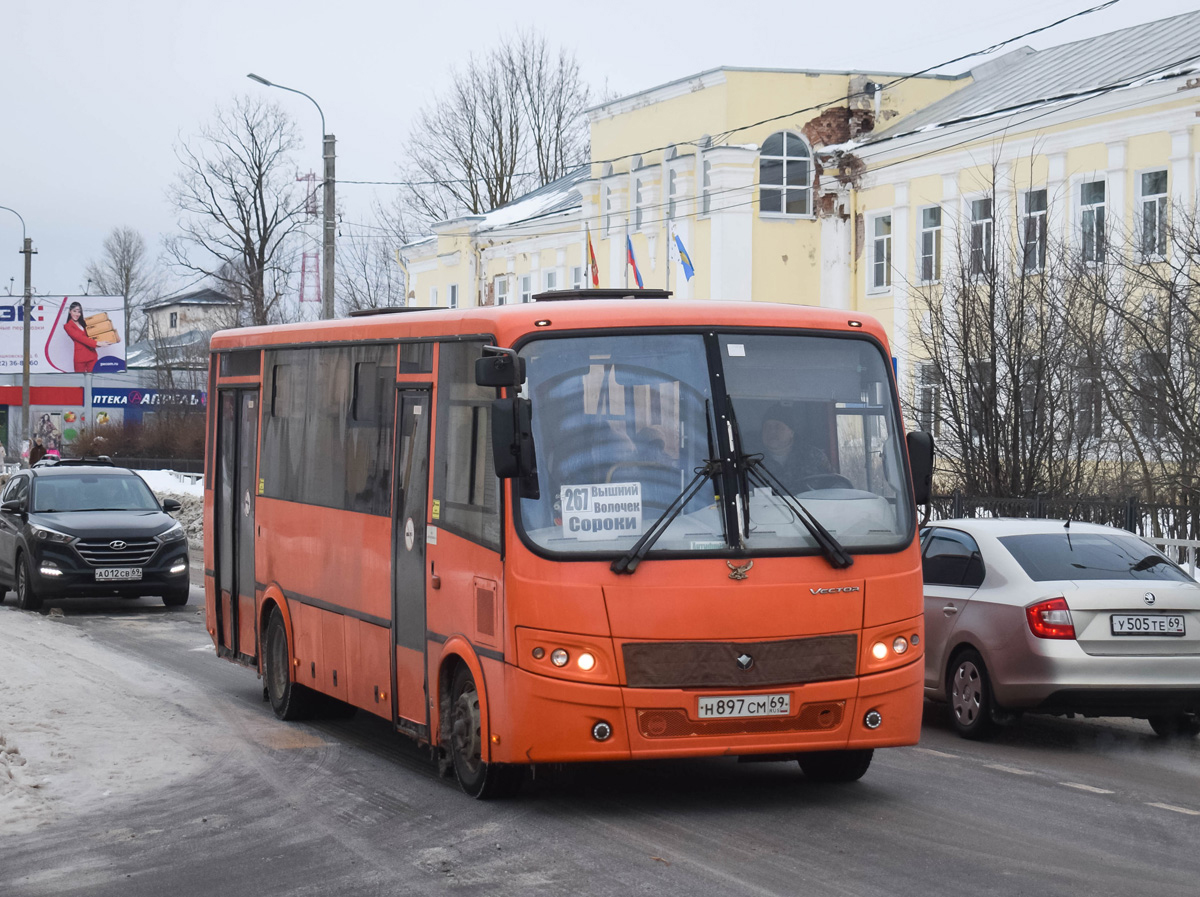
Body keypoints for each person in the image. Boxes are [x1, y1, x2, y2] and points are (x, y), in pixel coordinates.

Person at [754, 403, 831, 492]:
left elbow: (833, 487)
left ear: (791, 432)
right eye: (767, 427)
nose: (771, 431)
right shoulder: (751, 461)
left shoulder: (814, 457)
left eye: (777, 426)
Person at [63, 301, 100, 373]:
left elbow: (94, 334)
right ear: (70, 311)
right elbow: (81, 338)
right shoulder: (67, 326)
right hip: (80, 358)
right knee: (80, 381)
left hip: (92, 355)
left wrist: (111, 339)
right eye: (74, 311)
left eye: (79, 312)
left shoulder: (84, 322)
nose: (77, 314)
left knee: (94, 379)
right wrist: (98, 343)